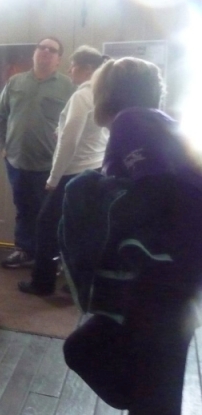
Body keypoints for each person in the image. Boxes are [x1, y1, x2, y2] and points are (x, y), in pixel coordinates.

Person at [60, 58, 202, 414]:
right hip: (182, 271)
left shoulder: (130, 120)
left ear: (108, 93)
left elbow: (154, 187)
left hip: (162, 272)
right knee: (159, 370)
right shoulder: (161, 122)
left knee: (94, 352)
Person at [18, 46, 109, 295]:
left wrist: (54, 177)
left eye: (73, 66)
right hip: (96, 168)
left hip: (74, 171)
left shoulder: (82, 96)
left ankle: (42, 282)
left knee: (46, 225)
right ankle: (79, 282)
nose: (70, 70)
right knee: (84, 229)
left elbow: (69, 140)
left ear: (87, 69)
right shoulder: (103, 94)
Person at [0, 37, 75, 269]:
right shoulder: (16, 82)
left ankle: (51, 258)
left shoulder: (68, 87)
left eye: (52, 50)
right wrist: (3, 145)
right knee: (24, 208)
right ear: (34, 53)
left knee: (51, 213)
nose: (45, 52)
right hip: (17, 161)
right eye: (41, 48)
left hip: (50, 164)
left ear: (58, 59)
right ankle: (24, 250)